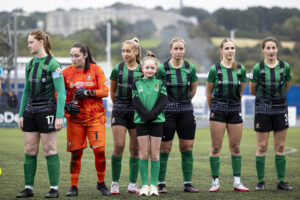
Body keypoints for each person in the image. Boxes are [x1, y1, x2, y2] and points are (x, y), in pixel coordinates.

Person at [16, 30, 65, 198]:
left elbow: (61, 92)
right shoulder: (29, 65)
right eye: (28, 42)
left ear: (41, 42)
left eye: (31, 42)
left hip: (47, 111)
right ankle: (28, 188)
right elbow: (27, 91)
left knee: (49, 150)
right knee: (30, 150)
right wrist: (21, 114)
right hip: (30, 111)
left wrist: (59, 116)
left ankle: (54, 189)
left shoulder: (54, 64)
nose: (28, 45)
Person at [62, 43, 111, 197]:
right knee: (76, 154)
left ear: (85, 55)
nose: (73, 59)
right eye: (71, 56)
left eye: (76, 55)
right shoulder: (65, 73)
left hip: (95, 118)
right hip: (75, 120)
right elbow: (57, 94)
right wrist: (66, 105)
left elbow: (105, 91)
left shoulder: (96, 70)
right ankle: (73, 186)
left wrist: (89, 92)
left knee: (100, 150)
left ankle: (101, 182)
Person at [250, 37, 293, 191]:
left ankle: (281, 181)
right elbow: (252, 89)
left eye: (273, 48)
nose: (271, 51)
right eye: (268, 48)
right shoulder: (257, 68)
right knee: (262, 147)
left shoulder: (284, 67)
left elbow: (286, 87)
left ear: (277, 49)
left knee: (280, 147)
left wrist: (277, 100)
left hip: (281, 109)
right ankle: (260, 181)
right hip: (263, 109)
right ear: (263, 50)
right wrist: (265, 101)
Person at [206, 38, 249, 192]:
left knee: (236, 148)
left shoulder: (240, 70)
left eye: (232, 48)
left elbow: (241, 91)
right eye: (227, 48)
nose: (230, 50)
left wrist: (234, 105)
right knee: (216, 147)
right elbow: (209, 93)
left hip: (234, 110)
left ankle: (237, 182)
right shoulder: (214, 69)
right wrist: (215, 108)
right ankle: (215, 182)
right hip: (218, 109)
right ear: (221, 50)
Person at [156, 37, 199, 193]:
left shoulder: (190, 68)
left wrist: (183, 103)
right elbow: (158, 90)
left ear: (184, 50)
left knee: (187, 148)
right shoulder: (162, 69)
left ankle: (188, 183)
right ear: (170, 50)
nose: (179, 51)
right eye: (176, 48)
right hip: (167, 112)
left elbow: (193, 90)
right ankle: (161, 183)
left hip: (186, 111)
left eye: (181, 49)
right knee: (165, 149)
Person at [132, 51, 168, 196]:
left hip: (157, 122)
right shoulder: (136, 83)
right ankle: (144, 186)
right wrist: (146, 116)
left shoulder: (160, 83)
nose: (149, 70)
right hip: (141, 122)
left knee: (155, 154)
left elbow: (163, 100)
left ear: (156, 70)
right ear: (142, 69)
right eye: (147, 68)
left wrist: (152, 115)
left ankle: (153, 185)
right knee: (143, 154)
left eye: (152, 68)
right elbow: (136, 102)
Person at [109, 37, 142, 195]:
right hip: (120, 110)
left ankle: (132, 184)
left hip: (137, 112)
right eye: (123, 51)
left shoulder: (143, 70)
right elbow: (113, 93)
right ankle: (114, 183)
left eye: (128, 51)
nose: (125, 54)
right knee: (119, 146)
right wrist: (119, 106)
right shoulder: (117, 69)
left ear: (136, 52)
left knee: (135, 149)